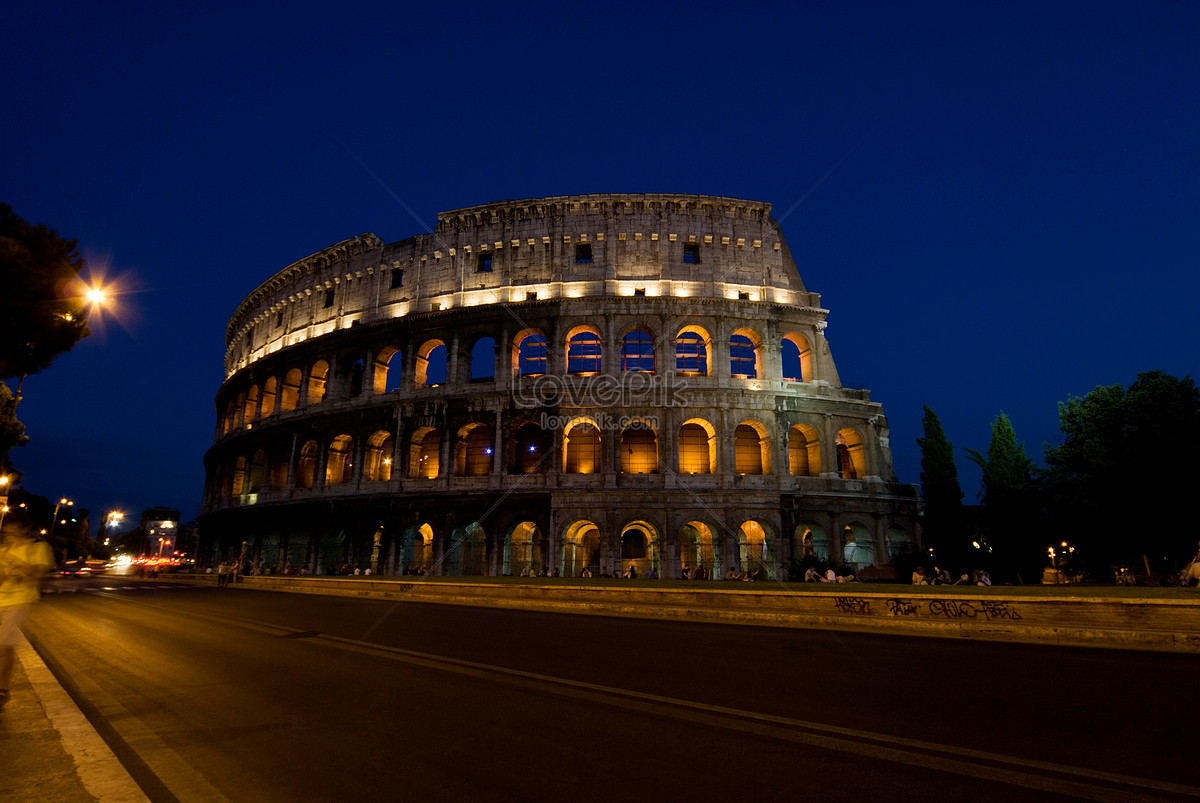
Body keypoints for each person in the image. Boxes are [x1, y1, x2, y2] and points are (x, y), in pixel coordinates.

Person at [1, 527, 56, 709]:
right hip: (2, 599)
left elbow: (37, 573)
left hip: (20, 600)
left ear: (23, 530)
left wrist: (14, 563)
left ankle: (2, 689)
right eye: (8, 530)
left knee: (5, 645)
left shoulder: (38, 548)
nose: (9, 533)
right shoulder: (3, 550)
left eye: (13, 529)